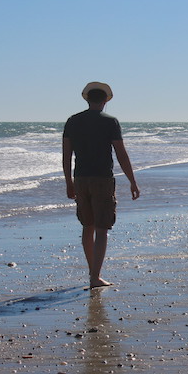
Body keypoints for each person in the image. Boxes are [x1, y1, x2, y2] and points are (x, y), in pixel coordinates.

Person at [62, 82, 140, 289]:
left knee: (87, 226)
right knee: (102, 228)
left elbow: (66, 156)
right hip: (102, 179)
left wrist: (68, 182)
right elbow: (121, 154)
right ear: (105, 101)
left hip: (81, 179)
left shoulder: (72, 121)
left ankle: (92, 272)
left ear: (87, 99)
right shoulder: (110, 122)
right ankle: (95, 277)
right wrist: (132, 181)